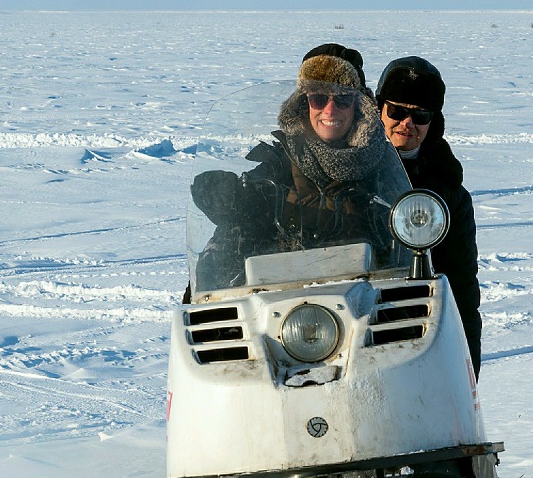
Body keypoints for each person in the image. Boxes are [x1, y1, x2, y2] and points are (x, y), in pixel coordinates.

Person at [191, 44, 411, 291]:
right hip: (283, 307)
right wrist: (225, 198)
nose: (330, 109)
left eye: (342, 99)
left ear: (359, 106)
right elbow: (236, 233)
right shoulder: (277, 166)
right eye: (318, 98)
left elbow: (410, 248)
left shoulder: (383, 168)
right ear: (303, 104)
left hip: (366, 302)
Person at [375, 56, 482, 376]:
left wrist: (466, 374)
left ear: (434, 121)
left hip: (414, 333)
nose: (406, 123)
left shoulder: (448, 193)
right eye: (396, 110)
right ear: (378, 109)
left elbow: (461, 289)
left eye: (420, 115)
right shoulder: (348, 170)